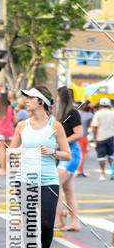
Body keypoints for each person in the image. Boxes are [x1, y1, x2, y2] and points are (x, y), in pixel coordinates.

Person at [10, 87, 71, 248]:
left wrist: (52, 152)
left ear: (41, 102)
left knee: (46, 224)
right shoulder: (22, 125)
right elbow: (11, 151)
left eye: (31, 97)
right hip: (25, 179)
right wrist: (16, 155)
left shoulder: (55, 126)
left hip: (48, 179)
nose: (27, 100)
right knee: (29, 222)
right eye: (26, 97)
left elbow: (67, 155)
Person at [54, 86, 83, 231]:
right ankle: (73, 222)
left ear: (62, 98)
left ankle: (59, 220)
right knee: (68, 191)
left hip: (72, 154)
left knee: (55, 186)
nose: (56, 99)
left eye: (58, 96)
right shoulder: (62, 113)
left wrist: (62, 142)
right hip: (65, 153)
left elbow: (79, 133)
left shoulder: (72, 112)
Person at [91, 98, 114, 180]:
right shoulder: (112, 113)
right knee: (111, 156)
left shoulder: (98, 113)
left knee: (101, 157)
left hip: (100, 137)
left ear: (100, 105)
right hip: (111, 136)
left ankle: (103, 173)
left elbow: (94, 127)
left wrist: (94, 138)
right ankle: (112, 173)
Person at [77, 100, 93, 177]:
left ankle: (76, 169)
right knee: (82, 153)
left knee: (75, 152)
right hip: (84, 136)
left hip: (76, 135)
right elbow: (91, 126)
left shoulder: (78, 113)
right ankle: (80, 170)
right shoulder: (90, 115)